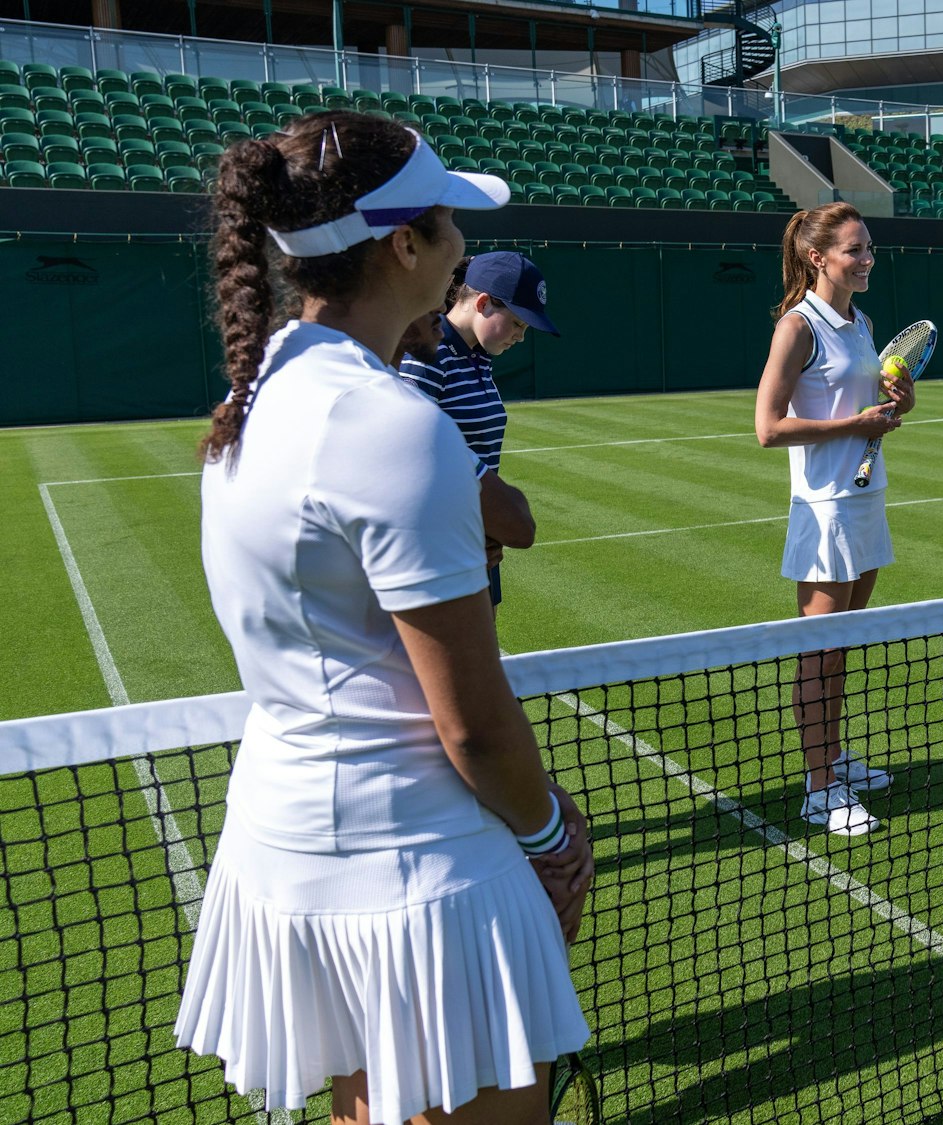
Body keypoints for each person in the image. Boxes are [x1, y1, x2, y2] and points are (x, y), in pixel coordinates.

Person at [174, 112, 593, 1124]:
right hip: (416, 869)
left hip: (288, 845)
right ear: (406, 245)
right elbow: (473, 724)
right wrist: (550, 834)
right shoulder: (396, 428)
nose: (460, 244)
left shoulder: (260, 386)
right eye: (448, 221)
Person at [753, 201, 914, 837]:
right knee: (818, 655)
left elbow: (867, 405)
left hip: (867, 499)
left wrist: (897, 402)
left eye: (869, 247)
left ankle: (834, 757)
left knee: (840, 647)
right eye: (855, 250)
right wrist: (854, 423)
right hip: (825, 509)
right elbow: (768, 428)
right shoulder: (797, 326)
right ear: (817, 257)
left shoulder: (861, 321)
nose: (867, 258)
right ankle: (819, 789)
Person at [399, 250, 557, 611]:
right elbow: (407, 452)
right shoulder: (428, 353)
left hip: (474, 540)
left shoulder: (478, 357)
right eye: (516, 323)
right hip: (437, 548)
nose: (520, 337)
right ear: (483, 303)